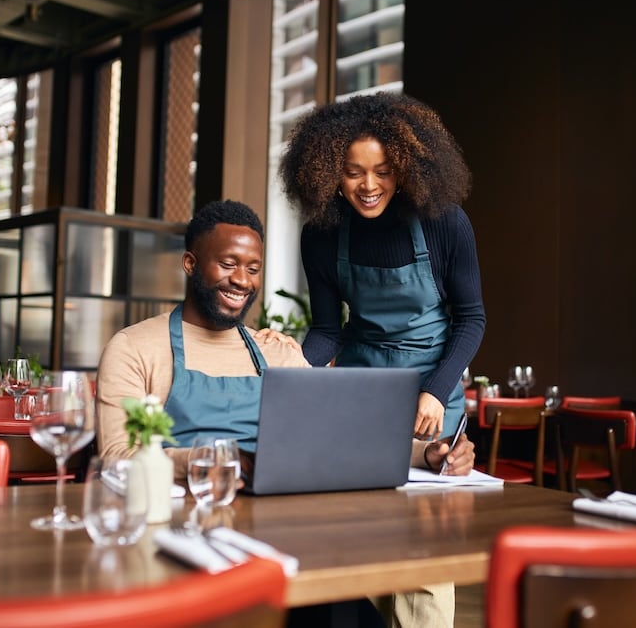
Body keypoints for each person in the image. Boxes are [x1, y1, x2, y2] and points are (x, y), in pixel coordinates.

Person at [96, 200, 473, 628]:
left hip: (286, 545)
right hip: (183, 545)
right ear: (190, 263)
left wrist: (428, 454)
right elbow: (117, 461)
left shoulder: (278, 351)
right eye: (227, 264)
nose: (241, 280)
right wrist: (215, 462)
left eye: (253, 268)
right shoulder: (134, 349)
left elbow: (341, 442)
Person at [276, 92, 486, 443]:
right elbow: (327, 332)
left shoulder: (445, 222)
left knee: (430, 492)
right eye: (353, 173)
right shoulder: (321, 235)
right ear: (330, 174)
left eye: (383, 172)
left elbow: (471, 318)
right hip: (359, 384)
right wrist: (291, 366)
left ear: (404, 170)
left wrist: (436, 391)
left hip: (432, 387)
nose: (369, 186)